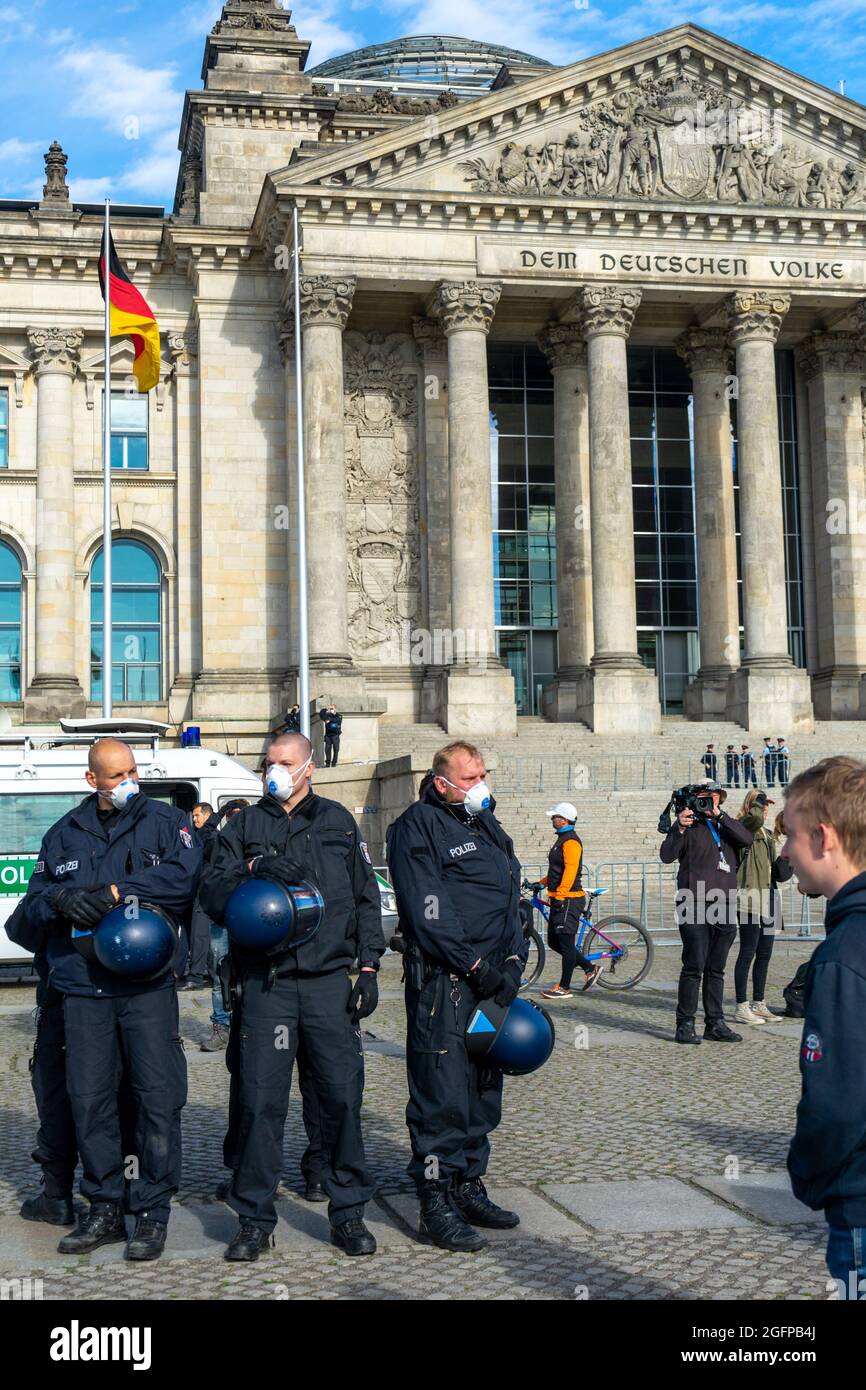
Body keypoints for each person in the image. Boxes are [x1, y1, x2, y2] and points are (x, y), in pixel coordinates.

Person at [199, 732, 384, 1261]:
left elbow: (365, 895)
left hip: (328, 985)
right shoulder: (244, 825)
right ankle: (254, 1219)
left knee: (341, 1102)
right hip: (266, 986)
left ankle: (347, 1213)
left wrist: (368, 965)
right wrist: (252, 868)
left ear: (309, 769)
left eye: (285, 762)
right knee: (259, 1104)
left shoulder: (337, 822)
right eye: (268, 763)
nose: (273, 771)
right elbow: (210, 894)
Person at [19, 737, 201, 1260]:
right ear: (91, 779)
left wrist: (119, 892)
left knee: (156, 1098)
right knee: (89, 1099)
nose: (125, 782)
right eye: (114, 775)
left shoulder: (167, 824)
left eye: (130, 772)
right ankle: (102, 1206)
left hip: (146, 987)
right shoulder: (62, 834)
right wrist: (59, 899)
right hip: (82, 987)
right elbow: (30, 909)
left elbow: (184, 879)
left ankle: (150, 1212)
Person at [386, 741, 527, 1253]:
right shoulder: (416, 826)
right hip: (445, 986)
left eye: (483, 774)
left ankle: (468, 1183)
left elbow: (514, 897)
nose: (480, 784)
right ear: (441, 782)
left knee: (481, 1088)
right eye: (469, 777)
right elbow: (428, 910)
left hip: (491, 989)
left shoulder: (487, 825)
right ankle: (434, 1199)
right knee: (440, 1094)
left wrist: (512, 962)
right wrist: (474, 966)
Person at [783, 757, 866, 1299]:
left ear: (824, 837)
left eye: (790, 835)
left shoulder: (843, 956)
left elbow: (838, 1104)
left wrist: (806, 1172)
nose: (786, 851)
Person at [659, 780, 753, 1045]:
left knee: (717, 967)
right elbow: (666, 855)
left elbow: (747, 838)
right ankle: (685, 1024)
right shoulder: (688, 825)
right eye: (703, 797)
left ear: (719, 800)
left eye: (713, 797)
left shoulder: (726, 826)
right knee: (694, 965)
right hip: (693, 900)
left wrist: (720, 816)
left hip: (724, 901)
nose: (708, 801)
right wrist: (678, 827)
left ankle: (715, 1023)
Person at [732, 791, 792, 1026]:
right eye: (761, 804)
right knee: (748, 951)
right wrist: (755, 807)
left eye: (766, 805)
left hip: (769, 896)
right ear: (750, 805)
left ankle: (759, 1002)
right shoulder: (741, 828)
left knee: (765, 953)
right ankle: (741, 1006)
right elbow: (753, 820)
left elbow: (778, 873)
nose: (765, 808)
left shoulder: (767, 834)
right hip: (749, 895)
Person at [535, 802, 602, 999]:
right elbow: (557, 870)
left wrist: (562, 894)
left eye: (554, 816)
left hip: (569, 899)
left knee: (565, 944)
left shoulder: (571, 841)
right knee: (554, 942)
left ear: (564, 819)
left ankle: (565, 987)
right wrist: (541, 883)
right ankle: (590, 968)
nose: (551, 819)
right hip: (560, 897)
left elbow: (571, 871)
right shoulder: (561, 840)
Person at [199, 799, 249, 1053]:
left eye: (241, 815)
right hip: (223, 918)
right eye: (233, 815)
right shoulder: (219, 842)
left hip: (248, 917)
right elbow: (203, 835)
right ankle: (221, 1026)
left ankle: (248, 1025)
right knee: (220, 973)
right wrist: (219, 813)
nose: (236, 819)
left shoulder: (254, 840)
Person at [180, 801, 217, 993]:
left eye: (197, 816)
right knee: (198, 935)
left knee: (199, 935)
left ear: (207, 815)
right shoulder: (197, 836)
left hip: (205, 892)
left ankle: (196, 977)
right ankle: (210, 974)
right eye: (193, 816)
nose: (194, 819)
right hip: (195, 891)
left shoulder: (211, 837)